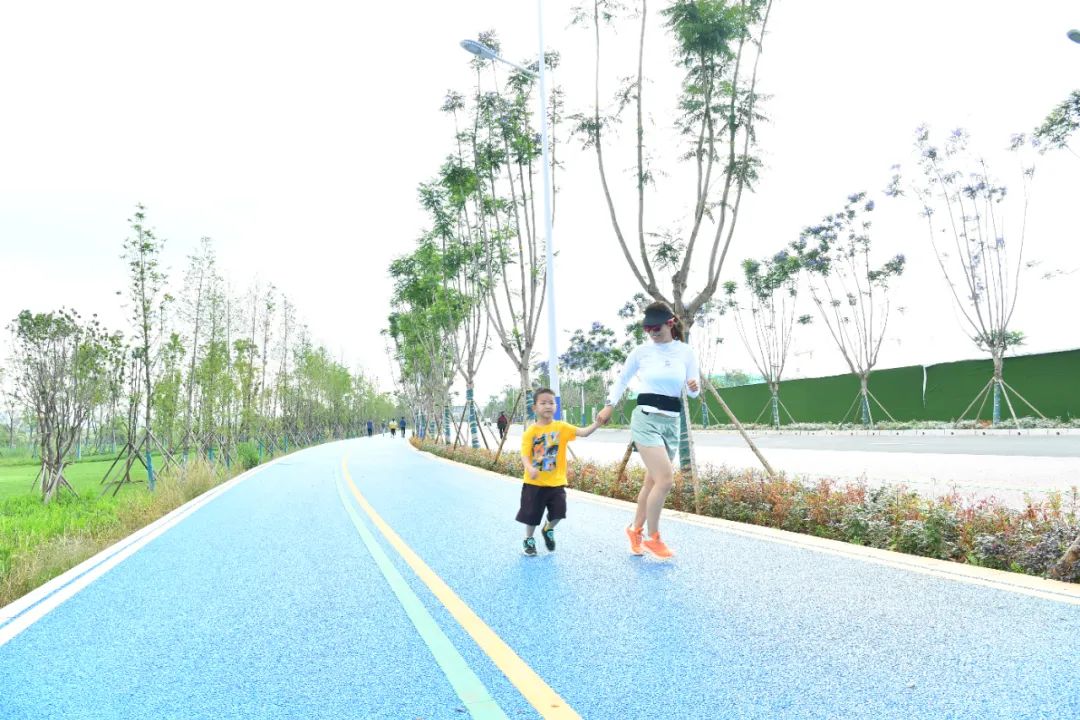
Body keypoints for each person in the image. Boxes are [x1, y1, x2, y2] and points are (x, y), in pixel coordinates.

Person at [597, 301, 700, 559]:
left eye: (656, 328)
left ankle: (635, 530)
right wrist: (609, 406)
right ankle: (653, 537)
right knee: (665, 480)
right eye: (648, 328)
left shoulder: (685, 352)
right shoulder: (641, 352)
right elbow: (622, 379)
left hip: (671, 422)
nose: (652, 332)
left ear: (670, 323)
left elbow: (692, 392)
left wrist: (694, 387)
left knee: (652, 482)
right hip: (645, 419)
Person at [517, 388, 600, 556]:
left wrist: (597, 423)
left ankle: (548, 528)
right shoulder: (530, 432)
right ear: (534, 408)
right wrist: (529, 468)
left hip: (557, 482)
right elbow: (524, 455)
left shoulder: (561, 427)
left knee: (559, 512)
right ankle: (529, 539)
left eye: (551, 402)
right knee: (532, 515)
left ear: (556, 406)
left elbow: (583, 432)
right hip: (534, 483)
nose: (548, 406)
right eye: (543, 403)